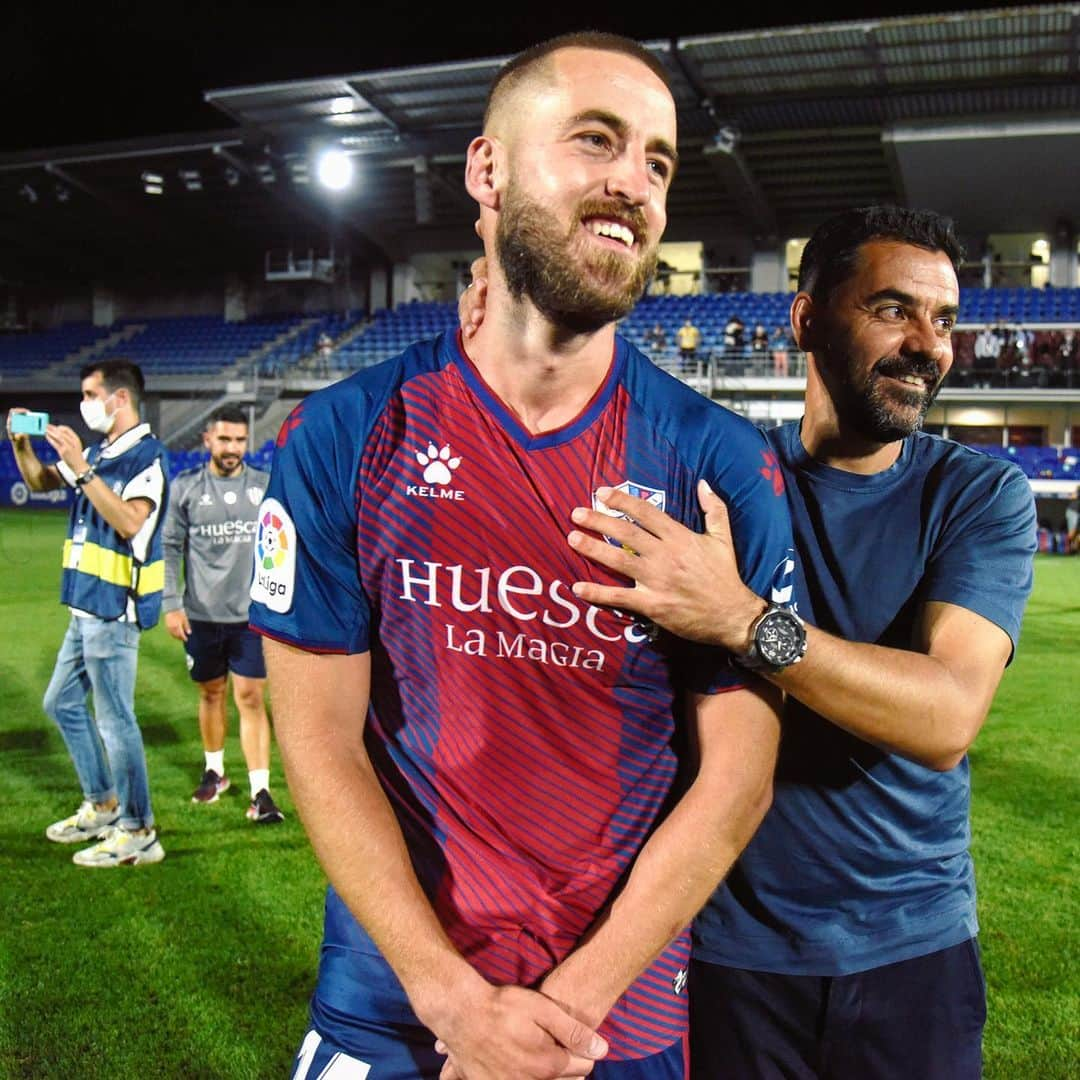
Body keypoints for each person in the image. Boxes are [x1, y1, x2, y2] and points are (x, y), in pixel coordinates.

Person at [249, 32, 793, 1080]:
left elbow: (738, 782)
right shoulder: (346, 434)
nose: (633, 182)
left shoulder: (720, 466)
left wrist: (552, 1022)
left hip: (609, 1030)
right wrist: (452, 1001)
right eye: (597, 141)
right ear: (486, 170)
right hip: (395, 1005)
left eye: (659, 161)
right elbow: (318, 744)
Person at [561, 206, 1037, 1079]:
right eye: (894, 309)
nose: (928, 344)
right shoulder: (716, 479)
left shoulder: (981, 495)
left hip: (911, 951)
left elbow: (947, 716)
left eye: (945, 320)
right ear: (807, 317)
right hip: (730, 952)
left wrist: (742, 619)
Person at [7, 358, 168, 867]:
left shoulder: (148, 456)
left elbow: (127, 521)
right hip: (84, 607)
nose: (83, 405)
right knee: (62, 704)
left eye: (89, 394)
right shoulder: (99, 452)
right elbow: (37, 482)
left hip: (114, 610)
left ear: (119, 399)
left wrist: (82, 467)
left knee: (116, 721)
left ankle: (140, 831)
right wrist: (20, 444)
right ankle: (102, 803)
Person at [161, 405, 283, 824]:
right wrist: (171, 604)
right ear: (207, 440)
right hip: (201, 616)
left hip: (251, 617)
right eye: (224, 439)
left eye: (239, 440)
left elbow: (281, 546)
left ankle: (261, 791)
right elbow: (170, 547)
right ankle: (215, 771)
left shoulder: (266, 487)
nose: (232, 448)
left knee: (250, 697)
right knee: (210, 694)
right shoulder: (185, 488)